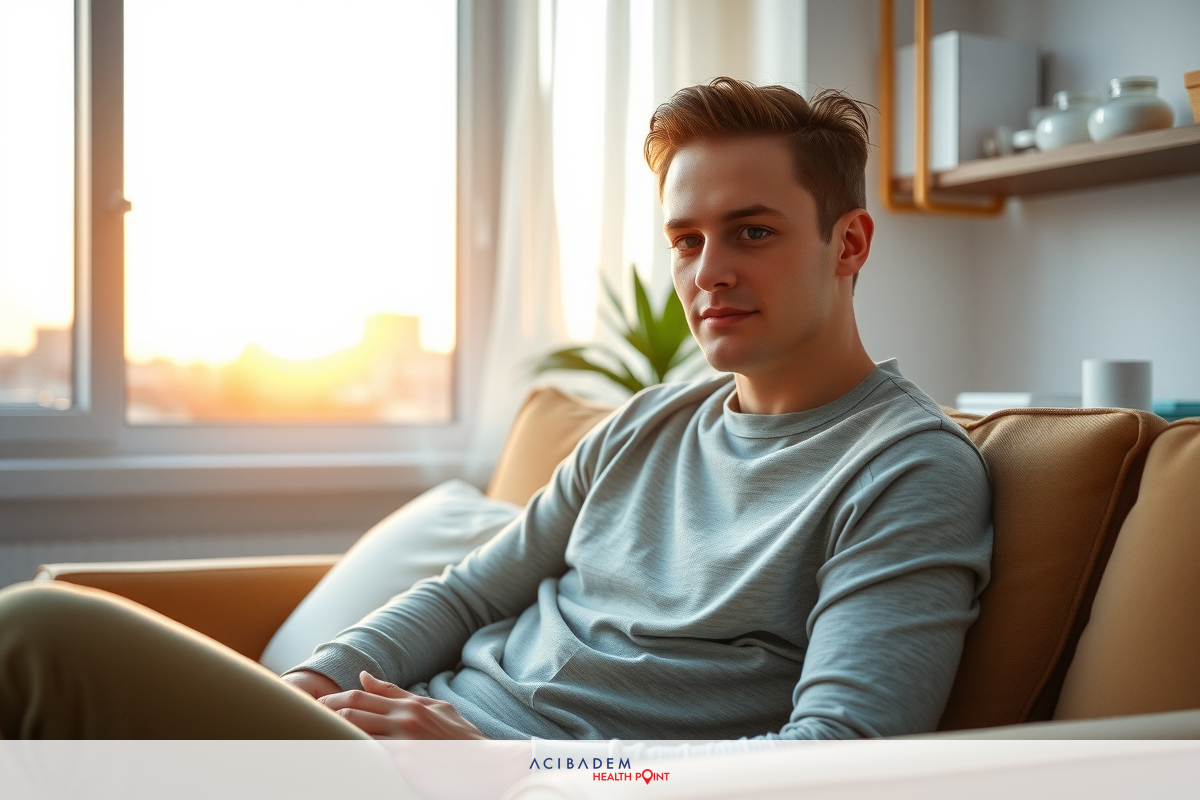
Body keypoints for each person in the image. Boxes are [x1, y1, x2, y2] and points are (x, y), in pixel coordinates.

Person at [0, 78, 991, 741]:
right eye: (686, 240)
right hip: (393, 745)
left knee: (39, 633)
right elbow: (468, 595)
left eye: (753, 231)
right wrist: (308, 685)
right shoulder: (642, 425)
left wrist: (514, 768)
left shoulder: (906, 469)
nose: (709, 272)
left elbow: (836, 756)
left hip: (497, 781)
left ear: (849, 243)